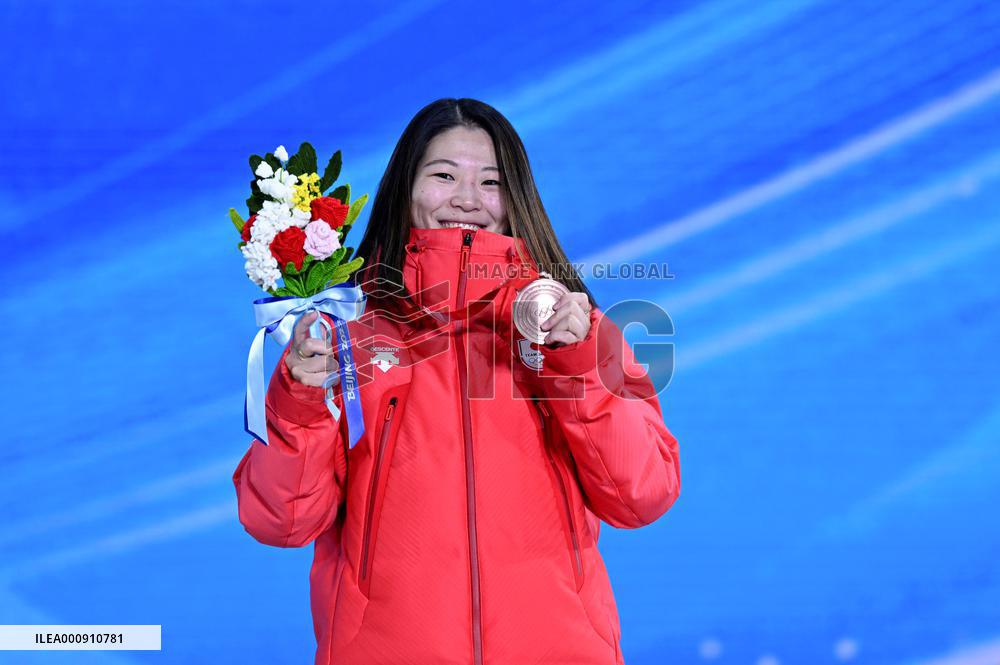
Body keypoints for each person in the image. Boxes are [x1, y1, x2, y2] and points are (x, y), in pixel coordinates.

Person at [233, 98, 681, 665]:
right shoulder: (345, 334)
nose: (467, 199)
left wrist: (579, 361)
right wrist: (299, 398)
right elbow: (282, 520)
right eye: (443, 175)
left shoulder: (570, 326)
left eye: (491, 182)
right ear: (405, 187)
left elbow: (642, 495)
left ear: (517, 198)